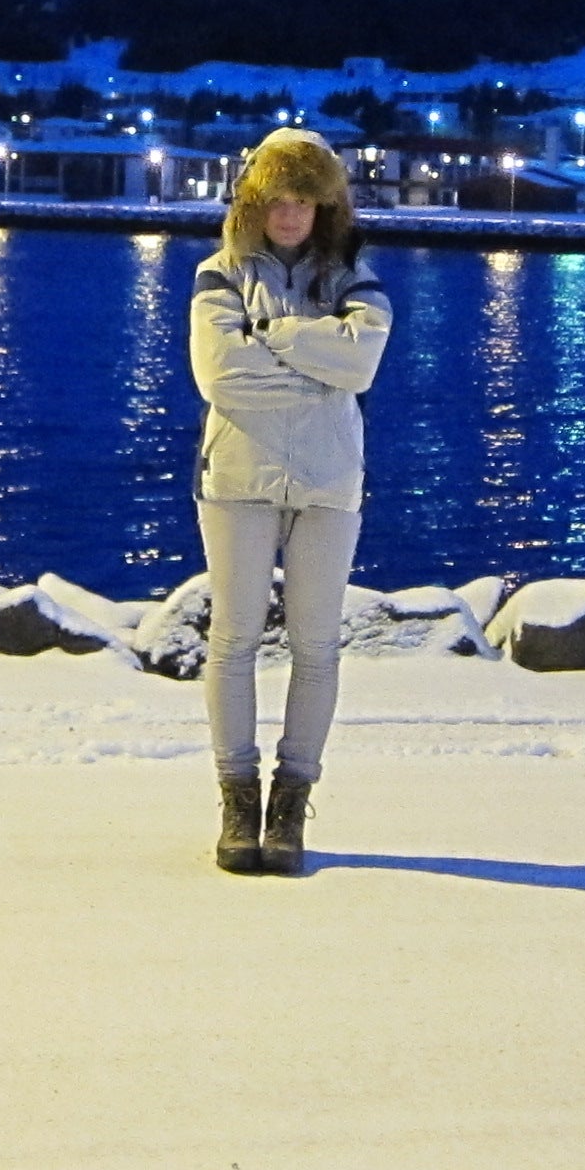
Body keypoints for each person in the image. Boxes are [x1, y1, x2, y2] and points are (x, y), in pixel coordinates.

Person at [187, 127, 392, 874]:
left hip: (329, 482)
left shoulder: (355, 278)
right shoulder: (219, 274)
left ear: (324, 206)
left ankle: (291, 801)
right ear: (254, 202)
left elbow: (360, 365)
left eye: (304, 201)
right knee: (234, 638)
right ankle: (238, 799)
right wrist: (315, 367)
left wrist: (270, 334)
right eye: (278, 199)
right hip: (238, 478)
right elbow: (220, 376)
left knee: (316, 644)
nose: (290, 215)